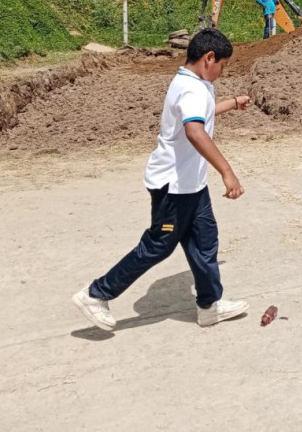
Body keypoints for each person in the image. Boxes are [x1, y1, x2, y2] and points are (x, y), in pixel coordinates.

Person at [72, 28, 252, 331]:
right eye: (223, 64)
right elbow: (195, 131)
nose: (223, 70)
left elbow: (200, 116)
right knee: (158, 245)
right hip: (173, 186)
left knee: (205, 242)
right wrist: (227, 171)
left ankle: (209, 305)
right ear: (209, 58)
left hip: (192, 184)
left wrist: (233, 102)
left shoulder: (195, 82)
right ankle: (96, 294)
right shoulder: (192, 89)